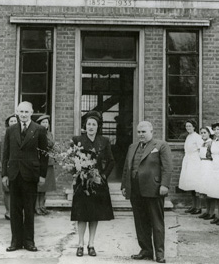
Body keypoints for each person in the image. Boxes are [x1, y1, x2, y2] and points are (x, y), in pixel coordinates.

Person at [121, 121, 172, 264]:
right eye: (139, 132)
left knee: (156, 222)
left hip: (153, 189)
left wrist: (164, 185)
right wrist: (125, 186)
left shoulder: (160, 145)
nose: (141, 135)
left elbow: (167, 167)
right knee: (140, 222)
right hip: (135, 190)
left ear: (151, 131)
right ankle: (146, 250)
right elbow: (127, 168)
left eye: (144, 132)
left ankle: (160, 254)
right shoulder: (132, 147)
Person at [2, 101, 49, 252]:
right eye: (21, 112)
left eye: (26, 112)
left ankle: (29, 241)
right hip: (14, 174)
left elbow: (44, 155)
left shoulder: (39, 129)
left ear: (31, 112)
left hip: (31, 174)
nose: (23, 115)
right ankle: (15, 241)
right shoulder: (11, 130)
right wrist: (4, 174)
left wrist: (42, 175)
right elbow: (5, 154)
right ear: (17, 112)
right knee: (15, 210)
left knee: (29, 209)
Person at [70, 111, 115, 257]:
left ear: (98, 127)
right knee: (81, 214)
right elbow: (70, 161)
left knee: (95, 214)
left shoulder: (104, 141)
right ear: (85, 126)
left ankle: (91, 244)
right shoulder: (77, 140)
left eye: (94, 124)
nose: (91, 127)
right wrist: (77, 173)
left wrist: (102, 176)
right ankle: (80, 244)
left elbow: (111, 161)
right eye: (88, 124)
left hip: (97, 183)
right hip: (81, 183)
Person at [178, 120, 203, 214]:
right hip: (188, 160)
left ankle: (198, 207)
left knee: (196, 184)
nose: (188, 128)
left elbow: (201, 149)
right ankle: (193, 206)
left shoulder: (197, 137)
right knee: (191, 185)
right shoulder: (188, 136)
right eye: (187, 126)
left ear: (194, 127)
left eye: (190, 126)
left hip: (195, 161)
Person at [35, 114, 56, 216]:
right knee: (39, 186)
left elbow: (52, 146)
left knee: (45, 186)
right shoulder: (37, 134)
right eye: (43, 122)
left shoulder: (50, 134)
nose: (45, 124)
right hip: (40, 161)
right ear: (39, 124)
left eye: (46, 122)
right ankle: (37, 207)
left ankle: (43, 206)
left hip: (49, 162)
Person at [2, 114, 18, 220]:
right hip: (7, 164)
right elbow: (4, 152)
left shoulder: (19, 133)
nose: (13, 123)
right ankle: (8, 211)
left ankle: (14, 210)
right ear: (8, 123)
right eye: (11, 121)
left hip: (16, 165)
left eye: (15, 121)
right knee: (7, 189)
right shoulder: (6, 134)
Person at [196, 127, 214, 219]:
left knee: (209, 190)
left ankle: (211, 212)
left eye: (204, 133)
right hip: (202, 166)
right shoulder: (203, 144)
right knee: (204, 191)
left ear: (209, 133)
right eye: (201, 133)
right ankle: (207, 211)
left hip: (209, 166)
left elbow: (213, 157)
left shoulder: (211, 143)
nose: (203, 134)